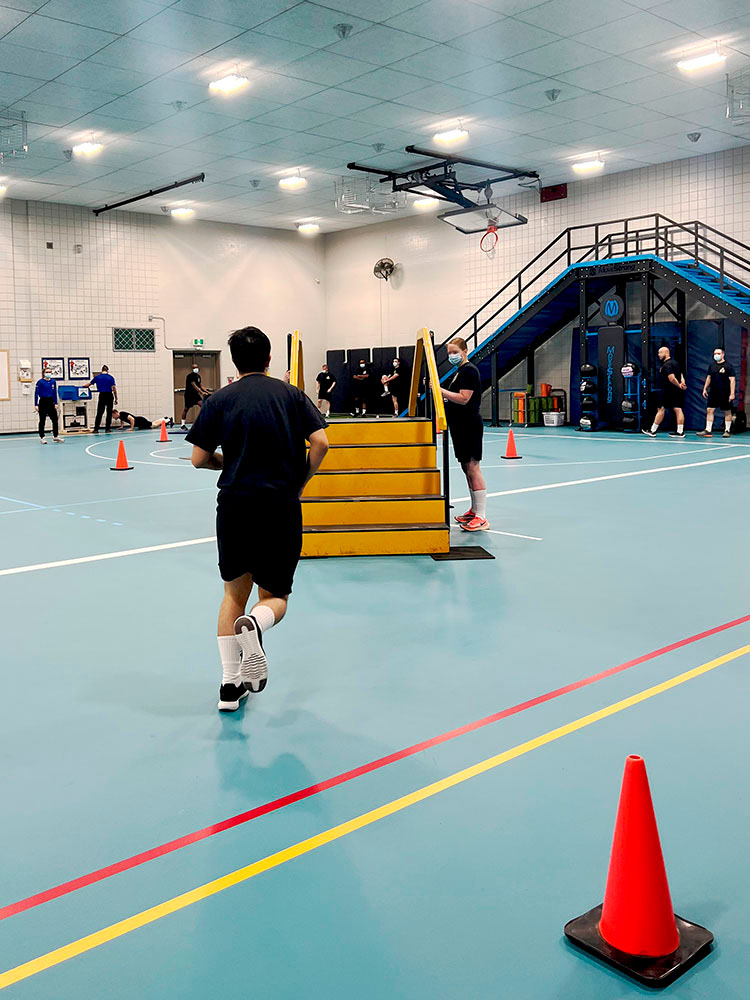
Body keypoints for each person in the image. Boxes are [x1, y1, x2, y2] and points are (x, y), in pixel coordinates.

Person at [187, 326, 329, 712]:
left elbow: (198, 458)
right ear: (269, 359)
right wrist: (300, 479)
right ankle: (257, 625)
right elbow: (321, 443)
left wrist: (225, 461)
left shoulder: (219, 400)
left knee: (233, 595)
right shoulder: (291, 395)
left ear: (234, 362)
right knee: (274, 597)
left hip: (233, 505)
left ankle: (229, 688)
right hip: (279, 505)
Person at [439, 337, 488, 532]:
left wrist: (441, 391)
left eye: (454, 352)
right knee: (466, 467)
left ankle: (482, 517)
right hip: (459, 425)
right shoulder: (459, 372)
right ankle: (474, 510)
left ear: (465, 351)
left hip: (469, 425)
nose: (451, 356)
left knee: (473, 468)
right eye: (449, 353)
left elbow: (464, 398)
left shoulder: (468, 371)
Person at [642, 346, 686, 439]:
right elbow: (681, 374)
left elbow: (672, 378)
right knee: (678, 409)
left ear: (665, 353)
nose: (658, 355)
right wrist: (682, 383)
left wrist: (678, 385)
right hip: (677, 391)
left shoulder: (667, 365)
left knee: (661, 409)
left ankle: (652, 430)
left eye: (660, 353)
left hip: (669, 391)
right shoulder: (675, 363)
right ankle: (680, 432)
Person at [697, 347, 735, 438]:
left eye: (718, 353)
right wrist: (705, 388)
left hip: (725, 392)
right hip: (713, 391)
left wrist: (732, 393)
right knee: (710, 410)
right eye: (714, 354)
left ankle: (727, 430)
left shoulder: (728, 366)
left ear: (723, 354)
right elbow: (709, 377)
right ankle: (708, 430)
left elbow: (732, 380)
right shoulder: (712, 366)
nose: (716, 355)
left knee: (727, 411)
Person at [86, 365, 117, 433]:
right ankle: (107, 429)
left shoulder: (97, 377)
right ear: (107, 371)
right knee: (109, 413)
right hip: (109, 395)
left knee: (99, 413)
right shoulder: (111, 377)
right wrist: (116, 398)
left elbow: (89, 384)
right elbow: (114, 389)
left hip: (102, 395)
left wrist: (82, 387)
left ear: (101, 370)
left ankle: (96, 429)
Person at [34, 370, 63, 443]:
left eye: (50, 372)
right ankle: (42, 437)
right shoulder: (40, 382)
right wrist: (36, 404)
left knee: (55, 419)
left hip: (51, 401)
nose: (48, 373)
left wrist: (56, 403)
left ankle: (56, 436)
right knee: (42, 420)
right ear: (43, 373)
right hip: (43, 401)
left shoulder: (53, 382)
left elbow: (54, 393)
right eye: (47, 372)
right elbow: (36, 393)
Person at [180, 364, 209, 428]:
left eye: (197, 367)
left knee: (203, 406)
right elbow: (194, 385)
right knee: (186, 409)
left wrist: (207, 391)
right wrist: (201, 392)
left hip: (196, 395)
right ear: (192, 369)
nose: (196, 369)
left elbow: (200, 385)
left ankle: (203, 422)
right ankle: (182, 424)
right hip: (189, 395)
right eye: (194, 368)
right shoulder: (190, 376)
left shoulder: (198, 376)